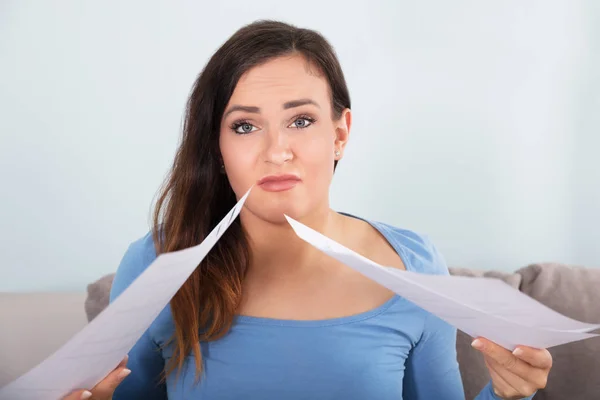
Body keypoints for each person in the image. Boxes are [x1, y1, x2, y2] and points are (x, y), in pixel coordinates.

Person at [65, 20, 552, 400]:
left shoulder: (415, 265)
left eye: (300, 120)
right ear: (216, 149)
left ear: (340, 133)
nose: (277, 151)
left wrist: (511, 394)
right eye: (244, 127)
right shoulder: (158, 265)